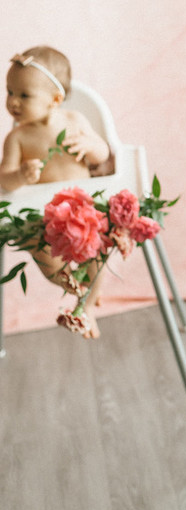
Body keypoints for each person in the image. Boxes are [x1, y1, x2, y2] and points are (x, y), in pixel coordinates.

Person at [0, 46, 110, 338]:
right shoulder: (17, 138)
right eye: (9, 92)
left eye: (24, 95)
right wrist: (20, 175)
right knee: (44, 256)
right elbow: (4, 181)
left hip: (83, 210)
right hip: (43, 217)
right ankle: (79, 289)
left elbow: (103, 153)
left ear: (55, 100)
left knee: (99, 250)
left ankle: (86, 305)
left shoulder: (74, 122)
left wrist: (91, 147)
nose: (13, 102)